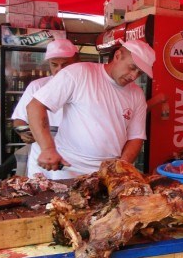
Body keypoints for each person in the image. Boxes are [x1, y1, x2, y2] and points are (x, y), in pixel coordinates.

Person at [26, 39, 155, 179]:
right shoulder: (80, 73)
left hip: (105, 174)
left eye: (140, 73)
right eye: (132, 67)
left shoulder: (136, 94)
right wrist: (48, 148)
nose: (134, 76)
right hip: (67, 170)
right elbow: (35, 106)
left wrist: (119, 170)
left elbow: (136, 136)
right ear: (117, 56)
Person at [11, 39, 79, 143]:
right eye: (54, 64)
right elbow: (19, 119)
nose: (60, 69)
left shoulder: (85, 86)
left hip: (75, 153)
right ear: (49, 64)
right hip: (43, 153)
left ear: (76, 63)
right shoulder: (37, 86)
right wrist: (24, 132)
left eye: (65, 65)